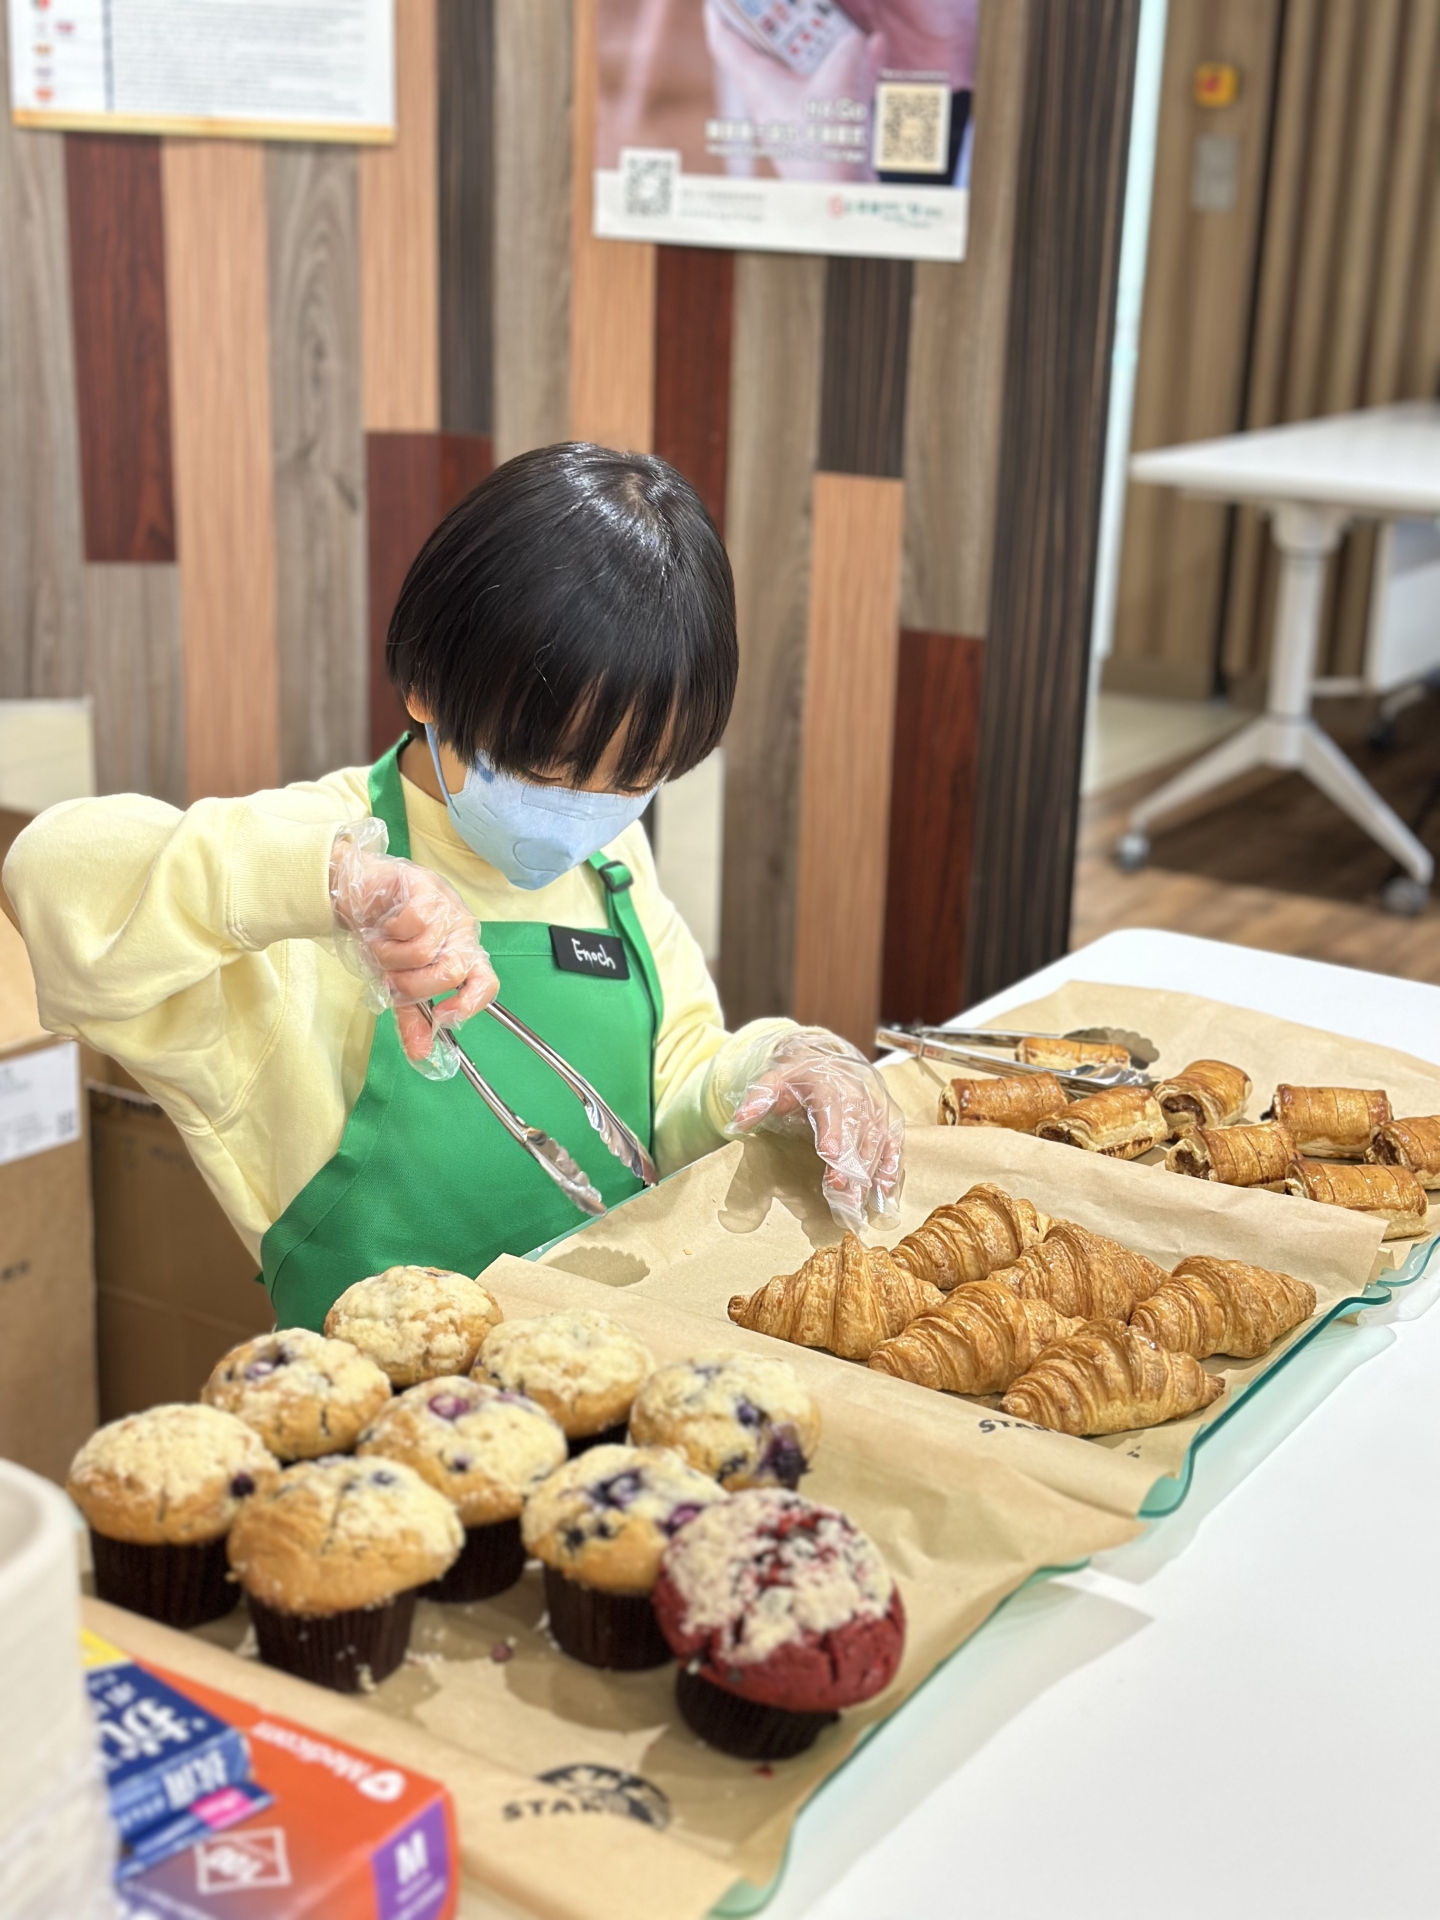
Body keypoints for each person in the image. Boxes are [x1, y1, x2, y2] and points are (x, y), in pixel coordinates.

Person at [5, 444, 903, 1331]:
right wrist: (330, 881)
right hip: (386, 1410)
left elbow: (670, 1089)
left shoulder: (614, 861)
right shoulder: (305, 878)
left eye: (633, 779)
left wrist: (769, 1070)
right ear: (428, 685)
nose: (583, 813)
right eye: (547, 770)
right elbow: (48, 873)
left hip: (617, 1370)